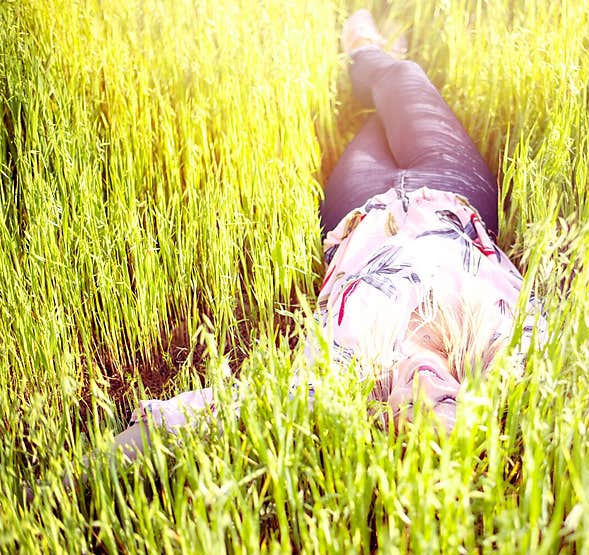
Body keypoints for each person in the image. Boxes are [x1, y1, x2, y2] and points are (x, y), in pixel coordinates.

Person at [81, 10, 544, 475]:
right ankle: (372, 50)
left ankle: (370, 59)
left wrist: (68, 485)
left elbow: (207, 414)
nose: (424, 384)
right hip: (451, 187)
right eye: (445, 398)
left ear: (387, 424)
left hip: (358, 206)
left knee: (377, 116)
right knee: (404, 79)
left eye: (414, 409)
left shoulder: (342, 378)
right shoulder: (506, 353)